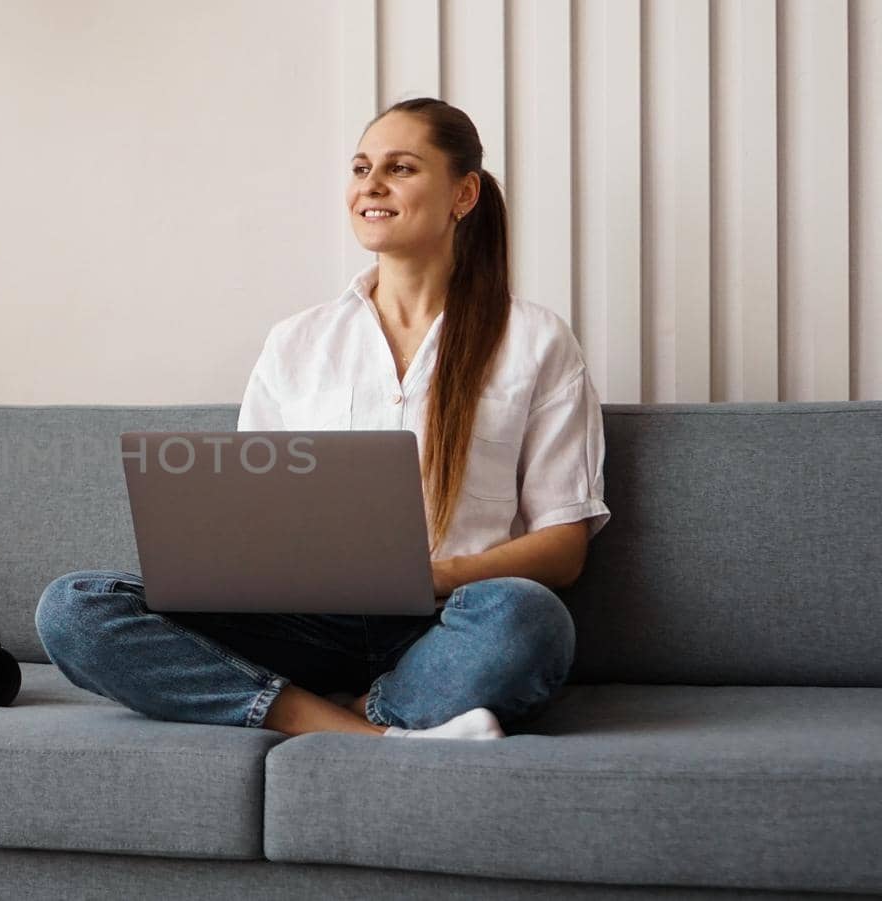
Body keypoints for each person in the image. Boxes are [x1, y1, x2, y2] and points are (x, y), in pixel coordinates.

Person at [35, 98, 610, 740]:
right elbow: (250, 516)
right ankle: (360, 733)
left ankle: (370, 708)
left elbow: (563, 547)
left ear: (464, 194)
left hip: (445, 625)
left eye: (401, 168)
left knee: (530, 618)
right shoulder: (298, 341)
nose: (372, 184)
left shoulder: (535, 340)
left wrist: (433, 576)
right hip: (301, 623)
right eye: (362, 167)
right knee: (75, 607)